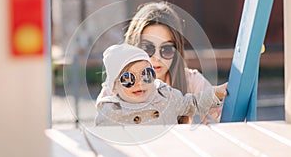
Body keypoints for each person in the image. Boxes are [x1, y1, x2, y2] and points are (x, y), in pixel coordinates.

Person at [124, 1, 220, 124]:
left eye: (167, 49)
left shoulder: (191, 82)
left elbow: (224, 123)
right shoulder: (118, 85)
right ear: (134, 47)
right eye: (147, 48)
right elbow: (105, 131)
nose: (157, 57)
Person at [95, 43, 227, 126]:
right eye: (128, 79)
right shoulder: (110, 110)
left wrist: (216, 93)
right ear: (114, 87)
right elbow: (102, 142)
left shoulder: (165, 96)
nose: (140, 83)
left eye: (146, 74)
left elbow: (192, 103)